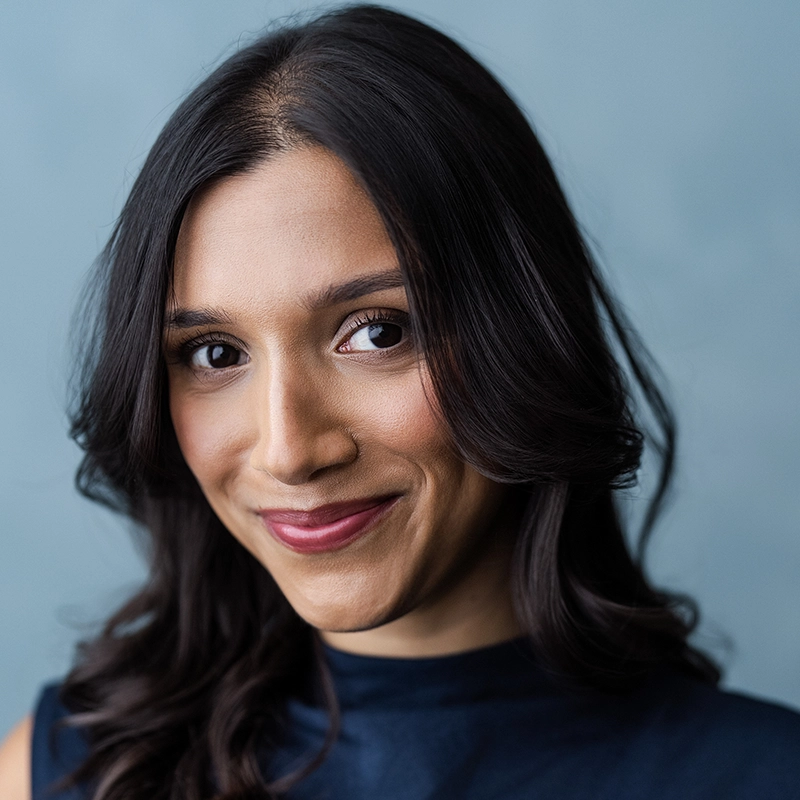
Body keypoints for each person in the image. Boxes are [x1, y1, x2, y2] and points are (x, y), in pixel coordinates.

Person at [1, 5, 799, 799]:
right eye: (215, 354)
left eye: (377, 333)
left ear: (519, 335)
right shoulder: (66, 774)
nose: (288, 449)